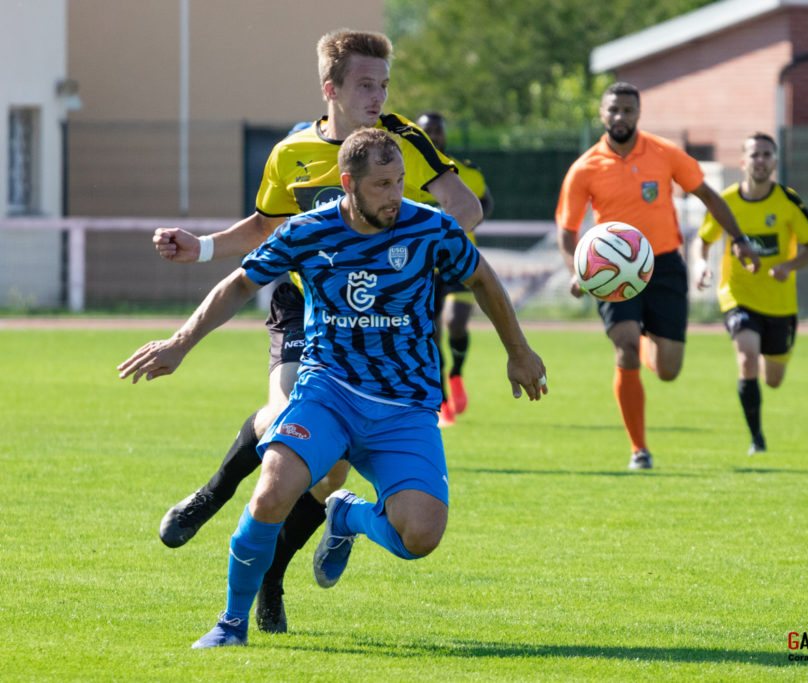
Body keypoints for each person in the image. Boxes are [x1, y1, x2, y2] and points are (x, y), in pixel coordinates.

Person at [118, 128, 548, 649]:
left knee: (421, 537)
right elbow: (240, 284)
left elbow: (481, 276)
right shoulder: (307, 231)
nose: (395, 196)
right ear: (348, 183)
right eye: (382, 185)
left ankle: (347, 514)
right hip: (329, 392)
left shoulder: (430, 227)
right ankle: (230, 625)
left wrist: (519, 352)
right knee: (273, 493)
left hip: (405, 406)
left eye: (400, 182)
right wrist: (180, 343)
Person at [147, 29, 483, 634]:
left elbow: (465, 208)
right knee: (286, 430)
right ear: (330, 88)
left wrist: (405, 250)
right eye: (364, 85)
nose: (377, 96)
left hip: (378, 320)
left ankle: (273, 574)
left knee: (328, 476)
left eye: (383, 84)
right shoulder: (293, 152)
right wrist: (200, 248)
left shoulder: (401, 143)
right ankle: (215, 495)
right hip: (303, 308)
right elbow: (261, 229)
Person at [555, 82, 760, 470]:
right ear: (602, 113)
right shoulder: (584, 168)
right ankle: (639, 450)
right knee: (625, 348)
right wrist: (575, 273)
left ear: (638, 113)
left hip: (663, 264)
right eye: (613, 110)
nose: (620, 117)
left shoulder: (664, 154)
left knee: (668, 370)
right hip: (610, 272)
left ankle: (646, 337)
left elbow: (709, 196)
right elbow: (567, 231)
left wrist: (741, 240)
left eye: (628, 110)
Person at [696, 133, 808, 455]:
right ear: (743, 161)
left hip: (780, 303)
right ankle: (757, 439)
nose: (761, 160)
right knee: (747, 358)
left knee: (773, 379)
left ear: (775, 162)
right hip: (737, 296)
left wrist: (789, 266)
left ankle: (764, 386)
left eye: (767, 155)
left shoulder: (788, 201)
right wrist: (699, 264)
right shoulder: (726, 201)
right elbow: (704, 239)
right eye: (755, 155)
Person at [416, 111, 495, 425]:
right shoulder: (407, 171)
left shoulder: (464, 172)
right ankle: (444, 399)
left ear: (445, 134)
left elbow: (485, 200)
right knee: (431, 333)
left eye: (438, 130)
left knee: (457, 323)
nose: (433, 136)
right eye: (427, 131)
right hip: (424, 267)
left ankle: (457, 374)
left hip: (459, 260)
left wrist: (470, 221)